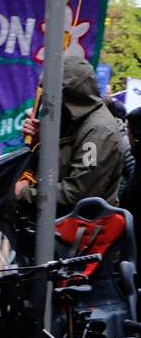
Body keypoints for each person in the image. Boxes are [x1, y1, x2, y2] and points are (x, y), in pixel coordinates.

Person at [16, 52, 128, 215]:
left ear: (69, 95)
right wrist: (39, 141)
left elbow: (79, 193)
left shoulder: (98, 132)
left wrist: (26, 194)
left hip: (75, 233)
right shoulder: (76, 121)